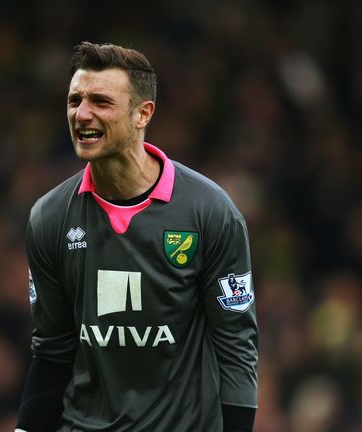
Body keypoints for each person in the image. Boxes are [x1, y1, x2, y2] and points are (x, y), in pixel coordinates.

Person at [15, 42, 258, 432]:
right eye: (74, 100)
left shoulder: (209, 212)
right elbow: (53, 351)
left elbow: (236, 348)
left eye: (100, 101)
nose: (82, 113)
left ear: (142, 114)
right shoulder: (50, 217)